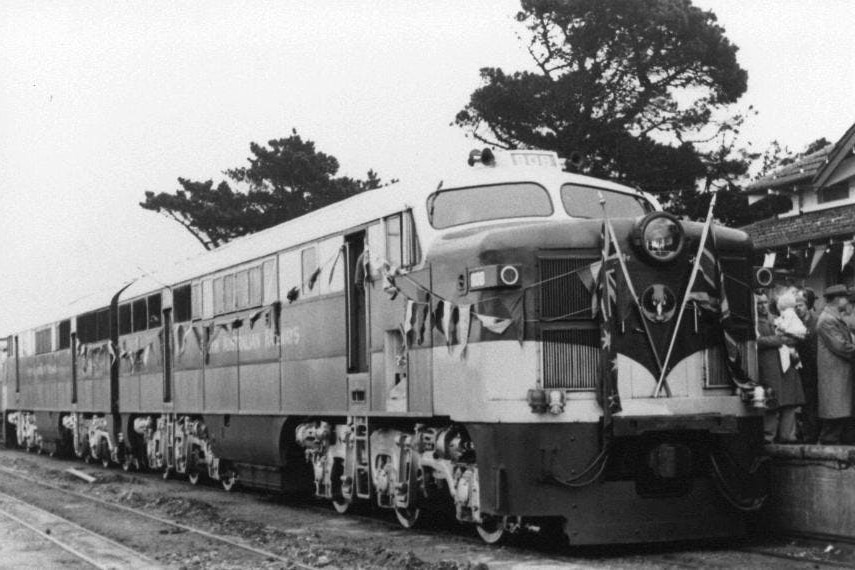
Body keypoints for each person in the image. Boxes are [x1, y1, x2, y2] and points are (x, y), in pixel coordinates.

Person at [756, 291, 805, 443]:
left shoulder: (778, 318)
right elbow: (756, 342)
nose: (762, 306)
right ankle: (768, 436)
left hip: (786, 365)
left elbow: (794, 337)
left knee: (789, 402)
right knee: (772, 402)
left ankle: (788, 436)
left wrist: (786, 339)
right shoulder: (754, 322)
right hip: (768, 366)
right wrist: (779, 340)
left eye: (764, 302)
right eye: (759, 303)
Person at [815, 284, 855, 444]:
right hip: (834, 378)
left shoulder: (833, 318)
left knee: (838, 419)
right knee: (833, 422)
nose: (848, 302)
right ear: (838, 299)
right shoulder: (827, 320)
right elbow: (841, 347)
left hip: (839, 377)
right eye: (846, 298)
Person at [794, 287, 819, 443]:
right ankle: (806, 433)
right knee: (805, 403)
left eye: (801, 304)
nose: (797, 308)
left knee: (812, 403)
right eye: (796, 305)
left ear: (808, 305)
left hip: (814, 370)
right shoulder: (794, 322)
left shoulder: (815, 323)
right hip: (800, 370)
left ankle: (812, 435)